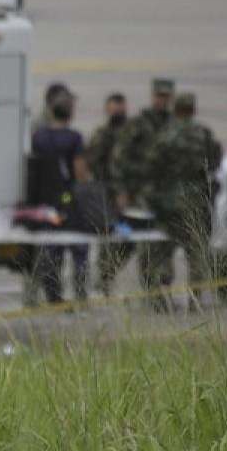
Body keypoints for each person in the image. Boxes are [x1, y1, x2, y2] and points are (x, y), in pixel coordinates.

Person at [143, 92, 222, 310]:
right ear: (193, 110)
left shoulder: (165, 134)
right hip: (196, 201)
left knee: (162, 251)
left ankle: (161, 299)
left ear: (175, 109)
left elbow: (151, 166)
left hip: (167, 203)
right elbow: (215, 163)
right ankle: (194, 300)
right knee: (196, 252)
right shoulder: (203, 134)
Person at [110, 77, 176, 309]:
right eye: (160, 96)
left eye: (166, 97)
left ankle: (163, 291)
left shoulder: (174, 124)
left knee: (166, 245)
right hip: (142, 194)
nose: (163, 101)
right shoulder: (138, 124)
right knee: (146, 244)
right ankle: (152, 295)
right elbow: (119, 156)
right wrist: (121, 190)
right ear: (153, 96)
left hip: (168, 196)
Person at [29, 89, 90, 304]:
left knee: (49, 248)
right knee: (78, 247)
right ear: (69, 114)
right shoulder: (74, 138)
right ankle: (81, 292)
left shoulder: (38, 137)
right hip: (68, 200)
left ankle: (52, 294)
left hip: (45, 202)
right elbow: (80, 171)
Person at [86, 92, 131, 297]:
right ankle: (105, 278)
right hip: (107, 195)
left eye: (120, 108)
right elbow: (93, 164)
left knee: (130, 240)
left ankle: (107, 274)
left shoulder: (132, 133)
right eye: (114, 108)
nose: (118, 112)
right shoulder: (101, 135)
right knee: (109, 237)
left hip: (131, 195)